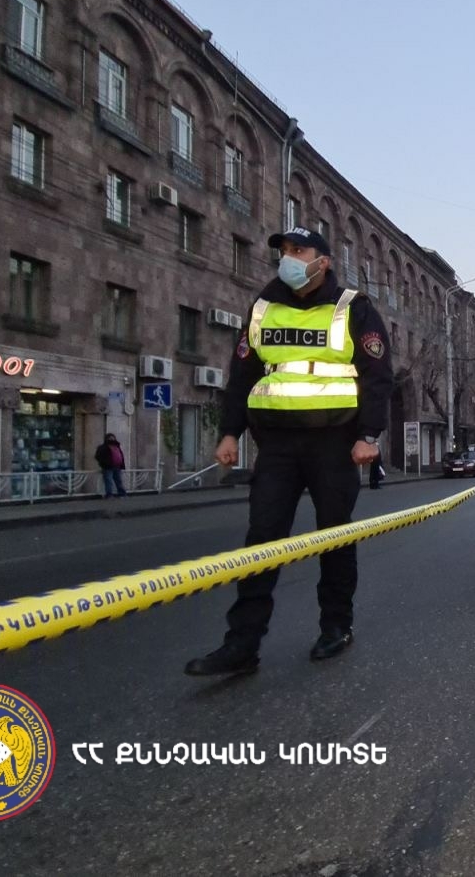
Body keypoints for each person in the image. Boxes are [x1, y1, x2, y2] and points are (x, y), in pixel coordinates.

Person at [185, 226, 392, 676]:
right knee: (260, 542)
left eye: (298, 250)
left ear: (324, 261)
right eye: (284, 250)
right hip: (276, 444)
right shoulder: (264, 306)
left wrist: (369, 436)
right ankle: (242, 645)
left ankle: (336, 626)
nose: (288, 258)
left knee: (334, 537)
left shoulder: (352, 307)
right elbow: (242, 374)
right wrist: (229, 433)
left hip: (335, 442)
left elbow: (377, 376)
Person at [95, 433, 127, 498]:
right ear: (106, 439)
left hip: (117, 466)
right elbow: (98, 456)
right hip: (108, 467)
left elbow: (121, 455)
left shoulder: (117, 447)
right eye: (110, 438)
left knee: (119, 481)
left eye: (113, 438)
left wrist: (122, 464)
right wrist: (104, 463)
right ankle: (109, 494)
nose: (112, 440)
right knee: (109, 481)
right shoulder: (103, 447)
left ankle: (122, 493)